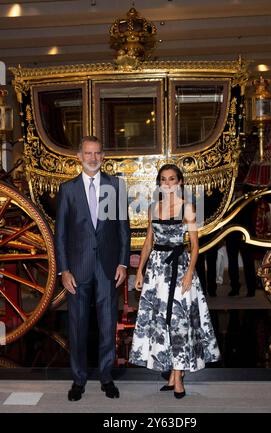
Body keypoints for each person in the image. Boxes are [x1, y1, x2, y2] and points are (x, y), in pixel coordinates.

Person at [129, 164, 220, 398]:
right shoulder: (153, 209)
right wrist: (140, 271)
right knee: (161, 320)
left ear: (180, 182)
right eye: (163, 179)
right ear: (159, 183)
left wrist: (189, 272)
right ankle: (172, 373)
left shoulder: (187, 208)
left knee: (180, 322)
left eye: (172, 179)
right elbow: (148, 241)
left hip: (179, 268)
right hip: (157, 271)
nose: (167, 184)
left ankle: (178, 375)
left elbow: (195, 245)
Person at [55, 136, 130, 401]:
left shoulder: (115, 187)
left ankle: (107, 377)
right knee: (77, 326)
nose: (93, 158)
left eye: (97, 153)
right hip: (77, 271)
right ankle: (78, 379)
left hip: (108, 269)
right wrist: (63, 270)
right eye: (88, 153)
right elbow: (60, 235)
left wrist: (122, 263)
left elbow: (123, 229)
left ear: (103, 156)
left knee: (108, 324)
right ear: (79, 156)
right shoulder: (68, 190)